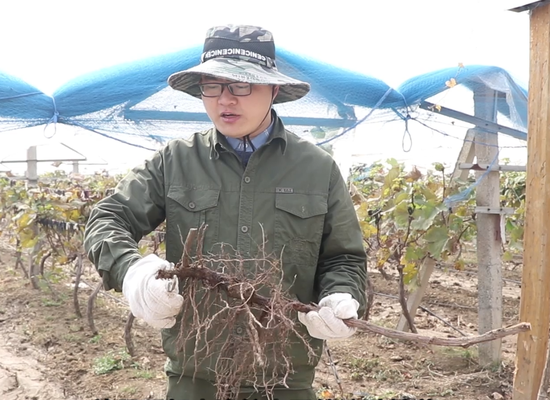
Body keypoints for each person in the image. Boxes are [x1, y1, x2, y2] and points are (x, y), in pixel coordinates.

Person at [83, 24, 368, 400]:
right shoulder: (176, 161)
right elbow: (108, 218)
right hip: (195, 372)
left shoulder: (317, 168)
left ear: (274, 90)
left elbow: (344, 258)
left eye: (241, 85)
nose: (224, 100)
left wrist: (341, 296)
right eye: (212, 86)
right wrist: (130, 269)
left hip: (284, 376)